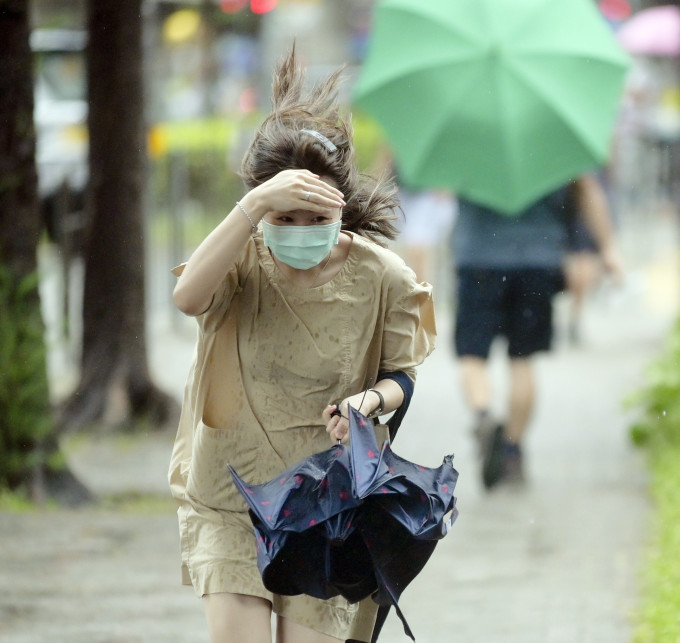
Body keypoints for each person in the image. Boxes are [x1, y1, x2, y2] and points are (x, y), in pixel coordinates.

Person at [169, 47, 436, 643]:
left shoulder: (383, 276)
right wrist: (251, 206)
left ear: (340, 207)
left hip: (326, 504)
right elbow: (188, 298)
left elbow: (403, 376)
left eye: (311, 219)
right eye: (280, 218)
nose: (295, 234)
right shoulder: (239, 256)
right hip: (228, 494)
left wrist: (368, 404)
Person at [451, 175, 622, 490]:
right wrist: (608, 248)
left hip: (479, 259)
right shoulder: (553, 138)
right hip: (537, 260)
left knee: (472, 356)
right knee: (522, 360)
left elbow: (439, 188)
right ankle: (512, 452)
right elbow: (587, 192)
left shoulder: (468, 135)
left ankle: (484, 416)